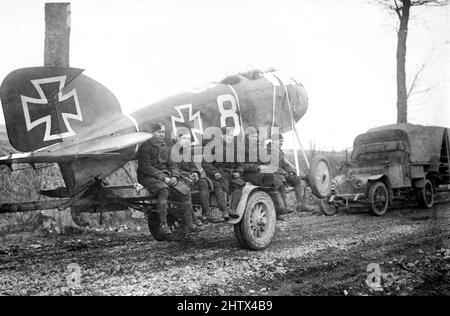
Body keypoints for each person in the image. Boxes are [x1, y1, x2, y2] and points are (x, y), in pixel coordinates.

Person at [136, 122, 203, 242]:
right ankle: (163, 225)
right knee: (164, 190)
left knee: (185, 191)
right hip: (147, 176)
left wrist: (175, 177)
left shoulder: (164, 147)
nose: (162, 134)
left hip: (164, 175)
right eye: (159, 132)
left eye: (163, 132)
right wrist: (164, 178)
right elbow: (145, 167)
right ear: (152, 133)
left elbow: (172, 165)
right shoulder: (145, 148)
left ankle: (189, 224)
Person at [242, 129, 294, 220]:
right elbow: (241, 166)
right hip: (247, 174)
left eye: (255, 136)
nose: (255, 138)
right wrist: (257, 167)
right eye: (252, 137)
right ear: (247, 137)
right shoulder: (242, 149)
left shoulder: (257, 148)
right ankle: (279, 208)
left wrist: (266, 164)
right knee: (270, 178)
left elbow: (264, 161)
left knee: (275, 178)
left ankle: (281, 208)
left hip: (257, 172)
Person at [175, 132, 224, 224]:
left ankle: (206, 214)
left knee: (203, 182)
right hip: (178, 178)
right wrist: (186, 175)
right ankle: (193, 218)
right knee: (186, 188)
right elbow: (172, 168)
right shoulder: (171, 151)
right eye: (184, 138)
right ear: (177, 139)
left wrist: (195, 173)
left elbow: (193, 166)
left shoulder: (185, 151)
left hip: (188, 178)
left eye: (189, 139)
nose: (187, 141)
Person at [203, 127, 244, 220]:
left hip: (232, 173)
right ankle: (224, 210)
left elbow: (240, 164)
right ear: (222, 136)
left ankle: (232, 209)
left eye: (232, 136)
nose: (230, 137)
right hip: (219, 172)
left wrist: (238, 171)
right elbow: (206, 163)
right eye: (228, 135)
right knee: (219, 185)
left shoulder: (235, 148)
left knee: (239, 184)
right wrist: (215, 173)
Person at [268, 132, 315, 213]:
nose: (281, 144)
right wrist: (284, 172)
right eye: (279, 142)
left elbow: (285, 164)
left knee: (296, 179)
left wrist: (291, 172)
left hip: (281, 173)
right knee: (280, 182)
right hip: (272, 174)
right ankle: (284, 207)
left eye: (282, 142)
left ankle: (300, 205)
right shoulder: (268, 151)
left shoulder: (279, 151)